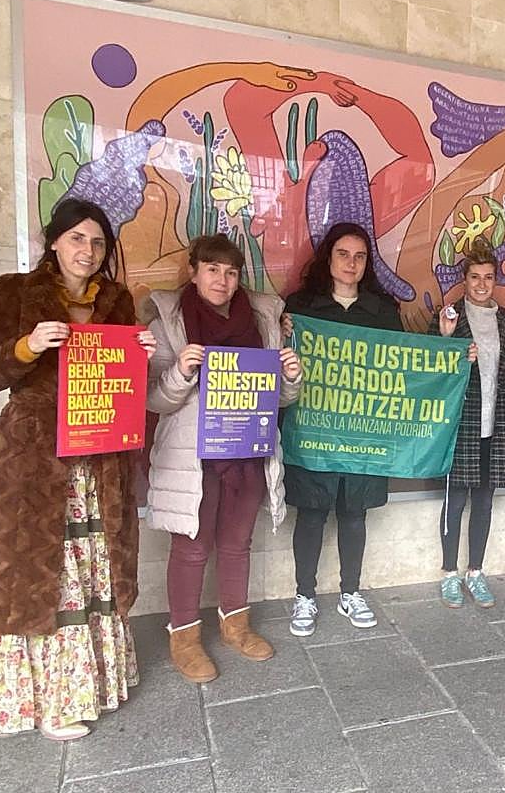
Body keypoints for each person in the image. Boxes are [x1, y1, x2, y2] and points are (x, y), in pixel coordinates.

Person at [0, 199, 156, 741]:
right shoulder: (15, 291)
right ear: (54, 242)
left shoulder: (118, 301)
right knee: (40, 571)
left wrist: (142, 352)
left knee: (93, 569)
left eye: (97, 243)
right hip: (33, 458)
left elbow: (124, 382)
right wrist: (27, 347)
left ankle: (89, 687)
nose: (87, 251)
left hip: (98, 460)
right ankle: (45, 701)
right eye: (76, 239)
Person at [143, 234, 303, 684]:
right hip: (193, 458)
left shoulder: (262, 321)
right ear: (193, 272)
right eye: (212, 269)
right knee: (191, 548)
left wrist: (290, 378)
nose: (222, 280)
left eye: (231, 272)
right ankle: (185, 638)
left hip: (247, 452)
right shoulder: (170, 323)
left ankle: (236, 626)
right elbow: (156, 400)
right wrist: (180, 372)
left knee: (237, 544)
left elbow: (279, 399)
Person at [281, 222, 403, 636]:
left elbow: (407, 365)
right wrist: (281, 334)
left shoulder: (383, 311)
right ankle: (305, 596)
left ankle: (351, 592)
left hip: (364, 431)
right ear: (328, 258)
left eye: (360, 256)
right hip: (314, 427)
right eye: (343, 254)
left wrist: (448, 345)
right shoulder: (300, 308)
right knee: (312, 513)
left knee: (355, 514)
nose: (351, 263)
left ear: (368, 263)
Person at [429, 240, 505, 608]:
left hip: (496, 426)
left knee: (484, 503)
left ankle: (476, 572)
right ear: (464, 280)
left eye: (488, 277)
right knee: (455, 502)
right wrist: (447, 342)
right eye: (474, 277)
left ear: (496, 279)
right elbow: (429, 368)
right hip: (460, 425)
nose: (482, 284)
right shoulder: (450, 317)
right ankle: (449, 574)